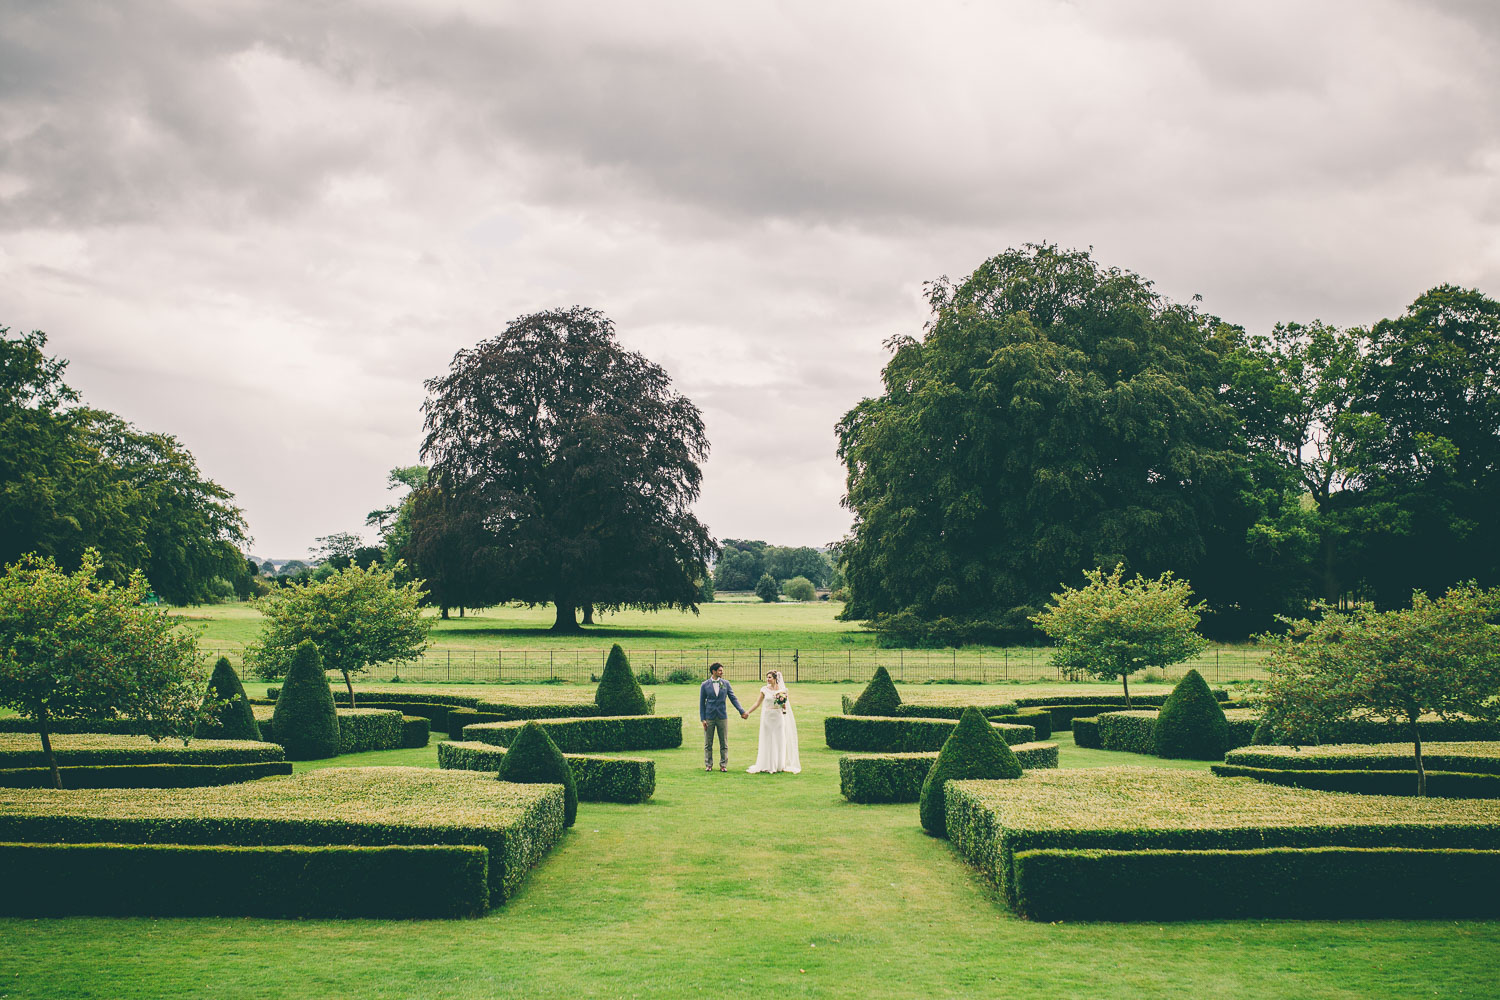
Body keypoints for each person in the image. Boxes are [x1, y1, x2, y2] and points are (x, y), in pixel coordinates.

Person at [745, 669, 801, 774]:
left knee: (778, 739)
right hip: (767, 717)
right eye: (767, 677)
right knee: (767, 739)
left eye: (770, 677)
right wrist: (748, 712)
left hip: (778, 717)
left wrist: (783, 703)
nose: (767, 679)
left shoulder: (782, 690)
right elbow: (757, 703)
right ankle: (766, 764)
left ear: (775, 678)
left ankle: (778, 764)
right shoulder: (764, 690)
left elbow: (784, 707)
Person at [699, 662, 746, 772]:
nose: (722, 672)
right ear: (714, 671)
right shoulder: (704, 685)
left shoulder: (726, 683)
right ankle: (708, 764)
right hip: (709, 717)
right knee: (708, 743)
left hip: (722, 716)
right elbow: (702, 703)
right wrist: (703, 719)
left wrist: (741, 711)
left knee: (723, 742)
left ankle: (723, 765)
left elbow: (733, 698)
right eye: (720, 670)